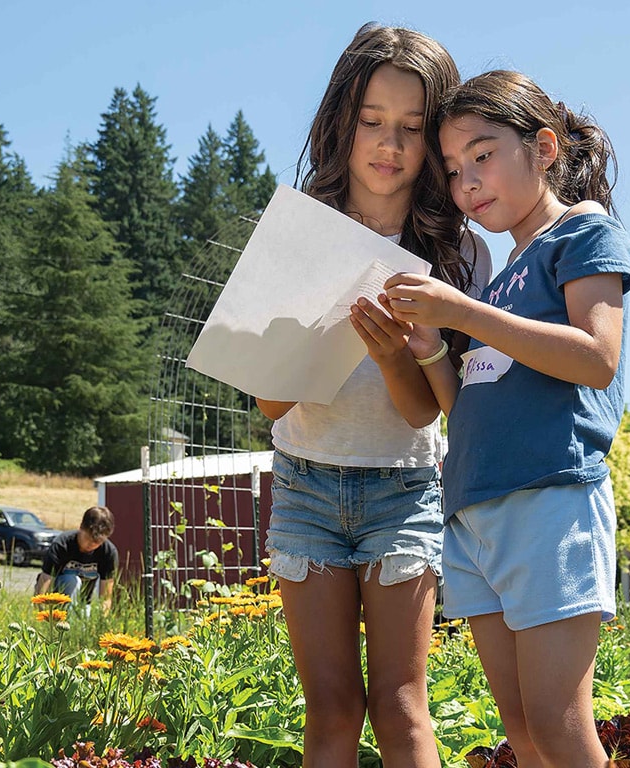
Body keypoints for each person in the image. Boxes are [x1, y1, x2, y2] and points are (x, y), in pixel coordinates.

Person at [380, 70, 630, 768]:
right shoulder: (502, 277)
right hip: (476, 516)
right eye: (456, 169)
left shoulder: (582, 232)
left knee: (558, 726)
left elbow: (596, 358)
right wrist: (434, 350)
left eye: (483, 154)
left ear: (545, 148)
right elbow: (465, 411)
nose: (467, 182)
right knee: (523, 733)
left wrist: (461, 313)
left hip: (551, 500)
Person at [254, 22, 492, 768]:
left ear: (435, 141)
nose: (389, 145)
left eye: (412, 129)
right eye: (372, 123)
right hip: (304, 488)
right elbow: (268, 405)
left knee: (400, 706)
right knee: (330, 709)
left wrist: (393, 355)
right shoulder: (296, 231)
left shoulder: (457, 248)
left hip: (405, 490)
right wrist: (313, 327)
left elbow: (429, 410)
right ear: (340, 121)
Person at [34, 505, 118, 615]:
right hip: (55, 600)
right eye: (88, 539)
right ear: (81, 528)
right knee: (72, 580)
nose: (91, 545)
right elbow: (43, 585)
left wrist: (101, 621)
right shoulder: (61, 545)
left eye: (97, 542)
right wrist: (42, 613)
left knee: (82, 625)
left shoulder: (108, 552)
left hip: (82, 603)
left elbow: (106, 597)